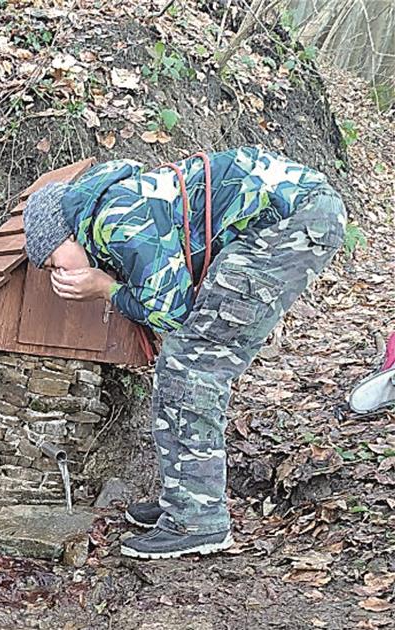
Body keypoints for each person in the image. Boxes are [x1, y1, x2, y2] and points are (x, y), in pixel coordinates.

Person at [22, 147, 347, 559]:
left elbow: (172, 312)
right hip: (295, 215)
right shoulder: (109, 208)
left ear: (67, 235)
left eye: (53, 263)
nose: (59, 273)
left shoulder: (116, 218)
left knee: (194, 365)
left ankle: (198, 520)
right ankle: (184, 497)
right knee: (181, 361)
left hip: (294, 220)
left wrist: (105, 288)